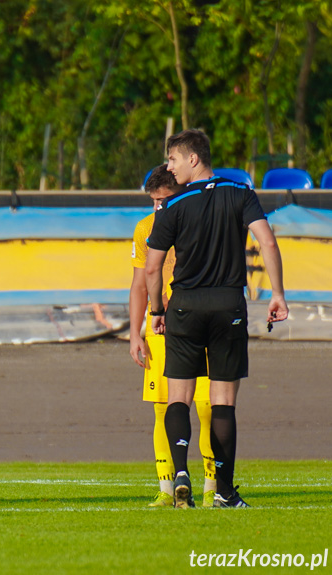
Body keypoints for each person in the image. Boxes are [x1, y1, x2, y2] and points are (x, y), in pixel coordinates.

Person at [145, 129, 289, 508]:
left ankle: (180, 474)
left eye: (173, 159)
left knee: (179, 396)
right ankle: (224, 490)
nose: (169, 167)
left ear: (194, 159)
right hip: (228, 307)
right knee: (223, 401)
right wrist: (277, 294)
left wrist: (157, 311)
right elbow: (268, 242)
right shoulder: (240, 193)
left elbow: (151, 268)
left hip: (185, 307)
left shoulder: (173, 206)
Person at [129, 165, 216, 508]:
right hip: (161, 328)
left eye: (163, 200)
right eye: (153, 201)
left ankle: (213, 486)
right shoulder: (145, 229)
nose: (158, 208)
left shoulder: (200, 221)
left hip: (199, 322)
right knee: (163, 408)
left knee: (208, 406)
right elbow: (138, 283)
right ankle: (167, 489)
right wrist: (135, 333)